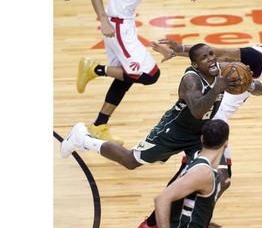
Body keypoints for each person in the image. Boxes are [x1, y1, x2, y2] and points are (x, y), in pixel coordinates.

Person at [135, 27, 262, 228]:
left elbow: (233, 72)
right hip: (213, 120)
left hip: (214, 119)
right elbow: (218, 52)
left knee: (202, 174)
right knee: (219, 178)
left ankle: (156, 223)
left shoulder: (259, 61)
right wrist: (180, 49)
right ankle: (170, 223)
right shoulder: (256, 56)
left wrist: (255, 86)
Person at [61, 43, 243, 191]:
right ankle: (83, 138)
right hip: (174, 131)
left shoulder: (222, 72)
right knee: (129, 161)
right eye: (204, 57)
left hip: (200, 135)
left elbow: (257, 88)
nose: (210, 59)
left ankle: (188, 217)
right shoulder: (191, 79)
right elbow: (197, 111)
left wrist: (248, 83)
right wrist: (218, 87)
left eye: (211, 54)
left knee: (223, 178)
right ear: (195, 65)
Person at [143, 119, 231, 228]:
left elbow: (184, 203)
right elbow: (162, 199)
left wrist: (205, 223)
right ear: (226, 144)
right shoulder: (203, 173)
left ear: (202, 139)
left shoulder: (196, 162)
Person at [76, 0, 162, 145]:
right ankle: (95, 69)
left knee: (126, 77)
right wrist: (103, 19)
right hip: (117, 27)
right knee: (149, 75)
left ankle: (99, 125)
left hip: (123, 24)